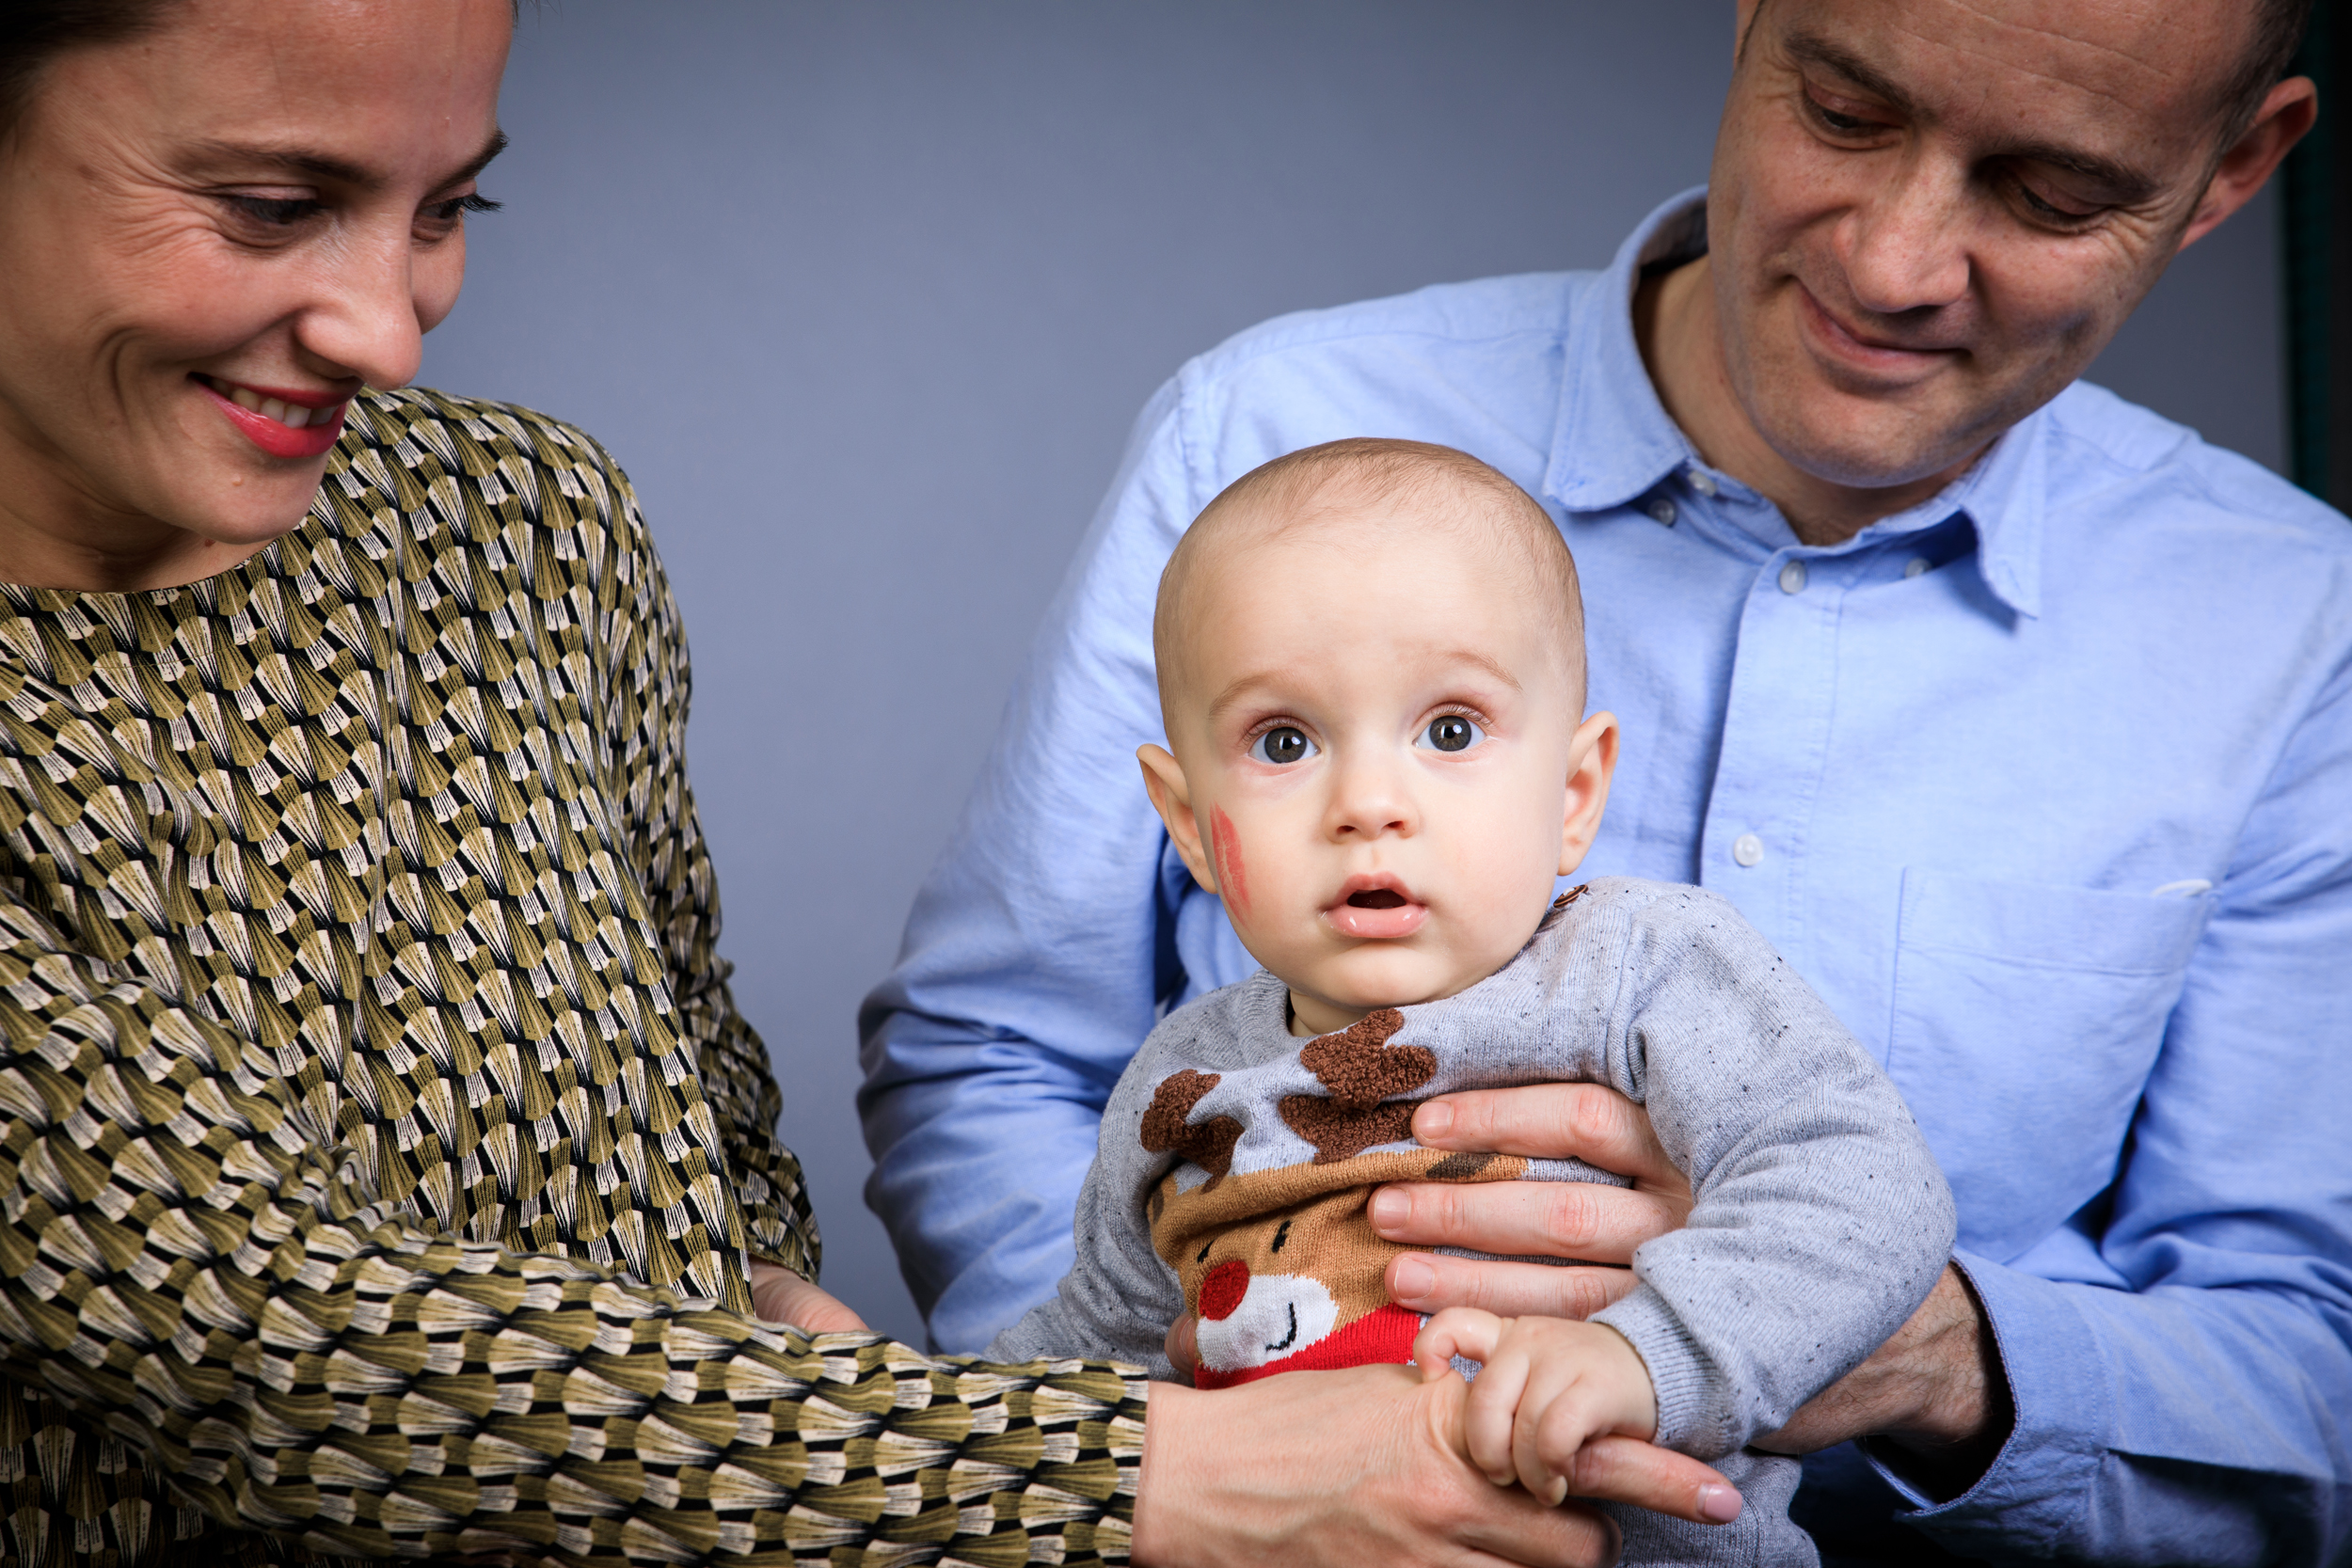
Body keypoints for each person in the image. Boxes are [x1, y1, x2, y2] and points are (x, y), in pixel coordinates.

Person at [0, 3, 1732, 1566]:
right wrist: (1145, 1470)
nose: (387, 328)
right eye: (268, 207)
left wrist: (792, 1332)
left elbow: (684, 1076)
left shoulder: (515, 519)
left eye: (451, 209)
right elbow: (251, 1333)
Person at [860, 0, 2352, 1560]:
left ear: (2234, 170)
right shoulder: (1258, 435)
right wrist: (1178, 1462)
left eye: (2049, 194)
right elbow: (1000, 1068)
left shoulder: (2298, 630)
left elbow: (2314, 1362)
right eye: (1845, 113)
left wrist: (1897, 1344)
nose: (1894, 263)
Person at [985, 436, 1959, 1567]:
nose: (1367, 802)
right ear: (1192, 822)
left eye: (1449, 730)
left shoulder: (1638, 969)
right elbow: (1088, 1359)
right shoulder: (1183, 1083)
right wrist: (911, 1418)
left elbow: (1863, 1181)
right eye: (1284, 741)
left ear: (1573, 791)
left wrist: (1648, 1353)